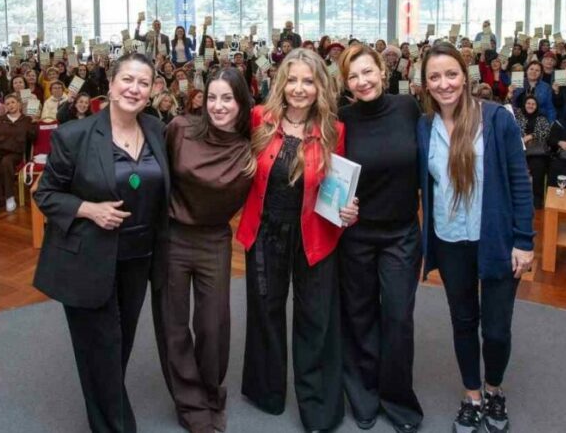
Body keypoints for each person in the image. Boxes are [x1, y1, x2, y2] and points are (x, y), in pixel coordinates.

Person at [33, 52, 169, 433]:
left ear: (152, 91)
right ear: (110, 84)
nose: (134, 88)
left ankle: (106, 406)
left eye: (143, 83)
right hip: (89, 259)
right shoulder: (74, 135)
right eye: (127, 79)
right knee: (103, 346)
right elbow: (46, 194)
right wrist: (89, 209)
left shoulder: (157, 130)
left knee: (118, 344)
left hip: (139, 257)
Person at [416, 42, 534, 433]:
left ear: (465, 76)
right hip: (450, 241)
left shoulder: (497, 119)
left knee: (496, 329)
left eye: (451, 74)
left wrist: (525, 240)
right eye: (435, 76)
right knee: (463, 321)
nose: (444, 83)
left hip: (497, 239)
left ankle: (494, 388)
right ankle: (472, 395)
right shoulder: (424, 126)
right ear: (425, 83)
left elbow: (520, 181)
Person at [235, 48, 351, 433]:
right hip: (265, 233)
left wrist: (351, 209)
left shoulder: (335, 130)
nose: (299, 89)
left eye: (308, 81)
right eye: (293, 80)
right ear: (281, 83)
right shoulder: (258, 119)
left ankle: (317, 403)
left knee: (315, 318)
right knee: (265, 313)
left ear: (320, 86)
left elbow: (340, 188)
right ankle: (265, 392)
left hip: (314, 235)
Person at [159, 67, 254, 433]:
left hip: (215, 239)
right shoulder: (180, 129)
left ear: (241, 101)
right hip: (173, 237)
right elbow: (153, 174)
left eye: (227, 98)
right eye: (212, 97)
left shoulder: (251, 146)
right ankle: (190, 402)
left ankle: (211, 393)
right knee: (175, 325)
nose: (218, 105)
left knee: (213, 325)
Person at [335, 44, 423, 433]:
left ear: (382, 73)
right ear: (346, 84)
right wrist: (340, 207)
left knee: (399, 318)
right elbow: (331, 175)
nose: (362, 81)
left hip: (401, 234)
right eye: (353, 76)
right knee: (360, 316)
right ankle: (364, 394)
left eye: (367, 72)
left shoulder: (408, 108)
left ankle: (397, 397)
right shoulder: (341, 120)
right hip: (357, 235)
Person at [0, 94, 33, 217]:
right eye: (7, 104)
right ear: (5, 107)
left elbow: (33, 137)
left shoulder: (26, 120)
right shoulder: (0, 120)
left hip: (14, 153)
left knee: (7, 163)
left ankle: (9, 197)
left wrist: (34, 123)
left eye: (13, 102)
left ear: (18, 104)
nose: (10, 105)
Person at [516, 96, 552, 210]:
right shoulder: (518, 116)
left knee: (538, 168)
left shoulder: (542, 118)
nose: (530, 106)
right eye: (528, 103)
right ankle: (518, 199)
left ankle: (537, 200)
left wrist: (532, 136)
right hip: (519, 150)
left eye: (533, 104)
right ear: (524, 104)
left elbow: (547, 132)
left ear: (536, 106)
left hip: (537, 152)